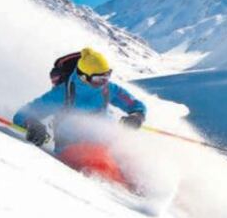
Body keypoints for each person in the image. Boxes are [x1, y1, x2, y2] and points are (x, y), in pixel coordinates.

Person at [13, 47, 146, 185]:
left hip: (107, 143)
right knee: (102, 167)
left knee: (134, 164)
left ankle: (150, 191)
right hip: (73, 147)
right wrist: (32, 124)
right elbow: (22, 114)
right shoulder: (62, 93)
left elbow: (135, 104)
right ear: (83, 77)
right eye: (98, 78)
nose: (104, 81)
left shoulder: (108, 88)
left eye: (107, 75)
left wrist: (137, 116)